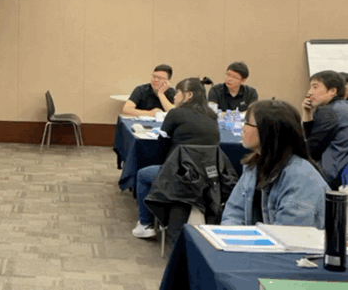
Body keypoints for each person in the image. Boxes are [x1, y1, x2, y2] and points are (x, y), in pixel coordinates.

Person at [132, 77, 219, 238]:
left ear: (188, 95)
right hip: (207, 176)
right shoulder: (212, 116)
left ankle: (145, 224)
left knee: (143, 175)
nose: (174, 96)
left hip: (180, 176)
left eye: (178, 92)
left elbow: (162, 147)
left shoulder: (175, 114)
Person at [221, 100, 329, 228]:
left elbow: (288, 234)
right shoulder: (254, 166)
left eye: (247, 123)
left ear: (269, 131)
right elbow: (234, 211)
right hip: (257, 239)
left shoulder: (301, 178)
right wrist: (230, 233)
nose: (243, 129)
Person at [302, 70, 348, 189]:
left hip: (333, 178)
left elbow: (313, 149)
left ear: (332, 91)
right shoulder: (344, 108)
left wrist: (306, 116)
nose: (309, 92)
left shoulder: (328, 111)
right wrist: (307, 113)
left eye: (315, 87)